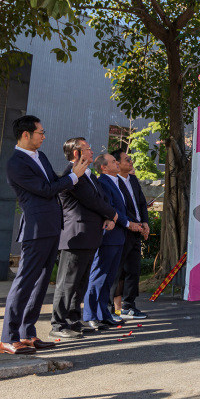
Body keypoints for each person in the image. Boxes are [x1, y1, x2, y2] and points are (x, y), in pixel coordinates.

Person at [0, 115, 89, 354]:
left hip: (52, 226)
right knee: (24, 282)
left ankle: (27, 333)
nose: (44, 137)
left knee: (40, 284)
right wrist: (73, 176)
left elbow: (54, 183)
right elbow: (45, 189)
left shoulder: (41, 157)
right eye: (40, 132)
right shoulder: (16, 163)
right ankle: (8, 337)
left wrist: (72, 175)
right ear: (26, 134)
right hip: (36, 229)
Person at [50, 138, 118, 339]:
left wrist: (108, 216)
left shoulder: (89, 175)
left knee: (80, 283)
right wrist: (113, 214)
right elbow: (91, 200)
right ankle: (58, 324)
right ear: (76, 153)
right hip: (76, 236)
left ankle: (73, 320)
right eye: (87, 149)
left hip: (90, 236)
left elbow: (103, 198)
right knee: (67, 283)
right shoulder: (71, 175)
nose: (91, 151)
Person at [83, 153, 143, 330]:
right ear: (104, 167)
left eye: (117, 161)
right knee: (99, 276)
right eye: (113, 161)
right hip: (108, 236)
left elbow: (125, 207)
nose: (117, 163)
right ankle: (90, 315)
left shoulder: (117, 182)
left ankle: (103, 314)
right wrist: (128, 223)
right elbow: (110, 207)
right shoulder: (103, 182)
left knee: (109, 278)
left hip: (119, 236)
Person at [112, 149, 151, 320]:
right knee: (118, 270)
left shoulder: (133, 179)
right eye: (127, 159)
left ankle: (129, 305)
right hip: (123, 230)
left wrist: (145, 222)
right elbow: (119, 209)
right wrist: (133, 223)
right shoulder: (114, 181)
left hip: (137, 230)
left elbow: (141, 203)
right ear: (117, 163)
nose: (131, 162)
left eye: (130, 159)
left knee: (133, 269)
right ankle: (112, 308)